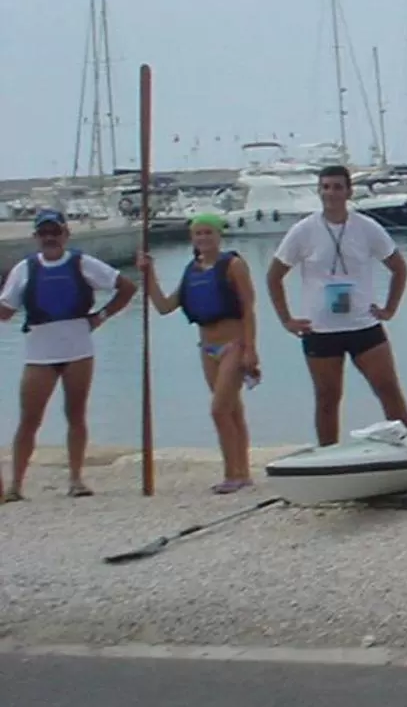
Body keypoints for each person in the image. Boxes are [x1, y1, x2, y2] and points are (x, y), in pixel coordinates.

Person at [266, 164, 407, 446]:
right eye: (326, 187)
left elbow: (399, 268)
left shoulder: (367, 228)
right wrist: (286, 319)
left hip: (364, 325)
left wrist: (390, 308)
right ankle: (328, 453)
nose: (331, 193)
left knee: (387, 388)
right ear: (319, 191)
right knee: (327, 397)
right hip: (320, 329)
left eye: (337, 187)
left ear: (348, 191)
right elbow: (274, 276)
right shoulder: (303, 230)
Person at [0, 209, 135, 500]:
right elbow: (6, 312)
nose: (50, 238)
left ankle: (76, 480)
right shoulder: (25, 269)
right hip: (39, 352)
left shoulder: (82, 263)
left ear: (65, 234)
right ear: (36, 237)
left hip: (78, 349)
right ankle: (15, 485)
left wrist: (101, 316)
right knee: (29, 419)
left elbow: (127, 287)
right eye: (44, 233)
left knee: (75, 414)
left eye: (55, 232)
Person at [139, 211, 259, 493]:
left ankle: (232, 473)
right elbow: (165, 306)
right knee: (232, 411)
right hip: (207, 347)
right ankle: (242, 471)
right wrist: (149, 274)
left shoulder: (234, 265)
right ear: (192, 238)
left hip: (234, 344)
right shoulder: (191, 270)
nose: (204, 238)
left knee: (219, 410)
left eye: (209, 232)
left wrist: (251, 349)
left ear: (219, 235)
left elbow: (248, 310)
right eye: (198, 233)